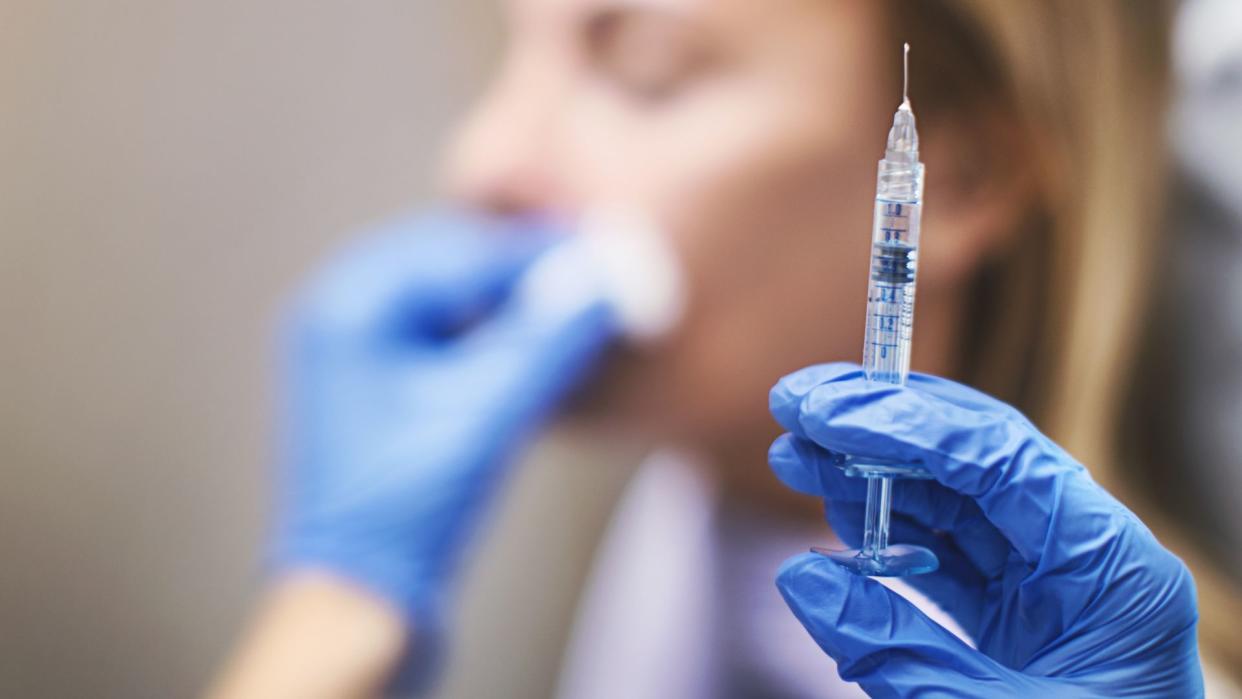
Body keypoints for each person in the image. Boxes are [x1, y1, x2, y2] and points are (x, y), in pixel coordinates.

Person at [207, 0, 1239, 696]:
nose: (484, 160)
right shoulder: (658, 591)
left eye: (644, 72)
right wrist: (334, 613)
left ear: (960, 179)